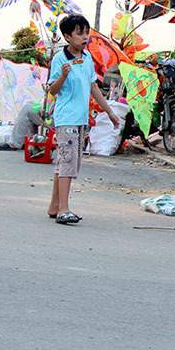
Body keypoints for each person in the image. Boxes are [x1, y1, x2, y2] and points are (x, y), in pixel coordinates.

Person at [46, 14, 121, 225]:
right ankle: (64, 208)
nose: (85, 37)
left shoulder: (87, 58)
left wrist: (110, 112)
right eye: (80, 33)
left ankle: (54, 206)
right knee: (69, 161)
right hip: (66, 118)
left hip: (80, 119)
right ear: (68, 36)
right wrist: (62, 75)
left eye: (86, 32)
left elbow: (93, 87)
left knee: (65, 160)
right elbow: (53, 90)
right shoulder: (60, 59)